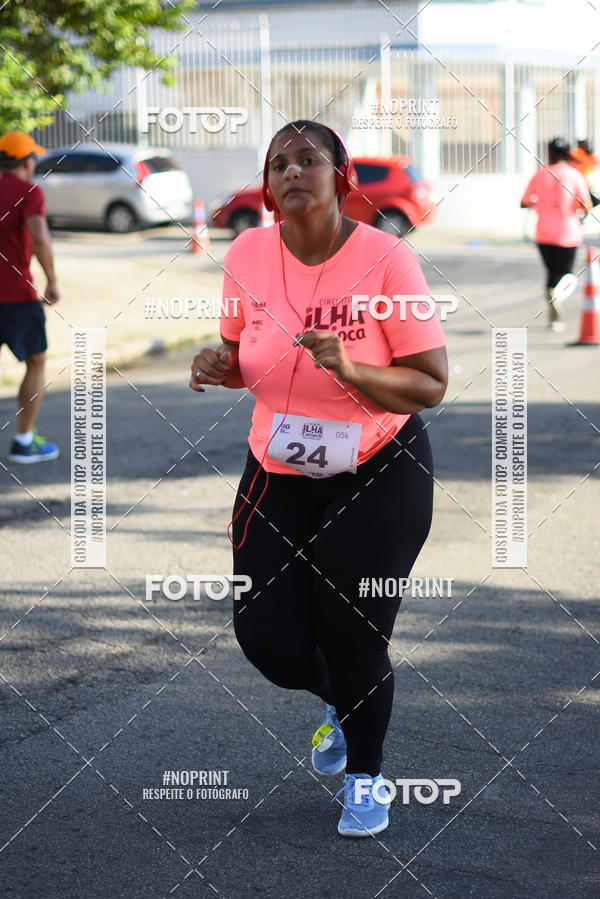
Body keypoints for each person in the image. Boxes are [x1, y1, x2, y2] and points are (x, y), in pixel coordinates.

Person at [189, 120, 448, 838]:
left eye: (309, 159)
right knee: (266, 636)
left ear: (341, 176)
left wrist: (352, 367)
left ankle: (366, 778)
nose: (292, 172)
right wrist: (218, 365)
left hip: (379, 467)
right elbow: (243, 353)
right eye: (279, 164)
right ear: (268, 188)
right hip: (280, 464)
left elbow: (429, 384)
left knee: (354, 629)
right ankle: (347, 701)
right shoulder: (245, 251)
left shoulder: (388, 260)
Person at [0, 131, 60, 462]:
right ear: (26, 161)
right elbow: (40, 237)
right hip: (16, 296)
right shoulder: (28, 192)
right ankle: (24, 440)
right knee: (35, 360)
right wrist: (52, 280)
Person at [520, 137, 592, 332]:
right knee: (567, 275)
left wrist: (540, 202)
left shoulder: (540, 174)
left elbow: (524, 201)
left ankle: (554, 315)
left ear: (549, 153)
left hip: (543, 234)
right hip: (568, 233)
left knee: (552, 273)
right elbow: (586, 205)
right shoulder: (575, 175)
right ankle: (556, 299)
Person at [570, 139, 600, 206]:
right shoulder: (577, 152)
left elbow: (596, 161)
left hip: (588, 179)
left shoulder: (589, 154)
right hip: (580, 178)